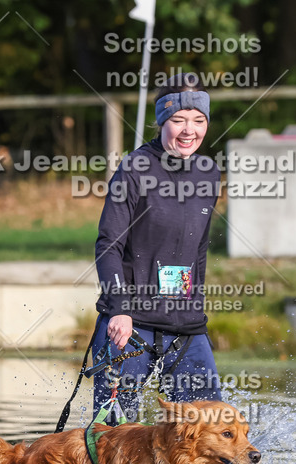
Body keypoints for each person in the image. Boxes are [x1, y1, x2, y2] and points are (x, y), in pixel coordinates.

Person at [90, 72, 223, 423]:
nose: (188, 130)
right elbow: (108, 245)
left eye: (198, 120)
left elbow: (197, 252)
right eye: (178, 120)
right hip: (130, 323)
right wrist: (119, 310)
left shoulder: (208, 173)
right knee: (112, 437)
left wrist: (196, 311)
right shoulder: (134, 169)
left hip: (185, 326)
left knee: (211, 431)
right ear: (162, 120)